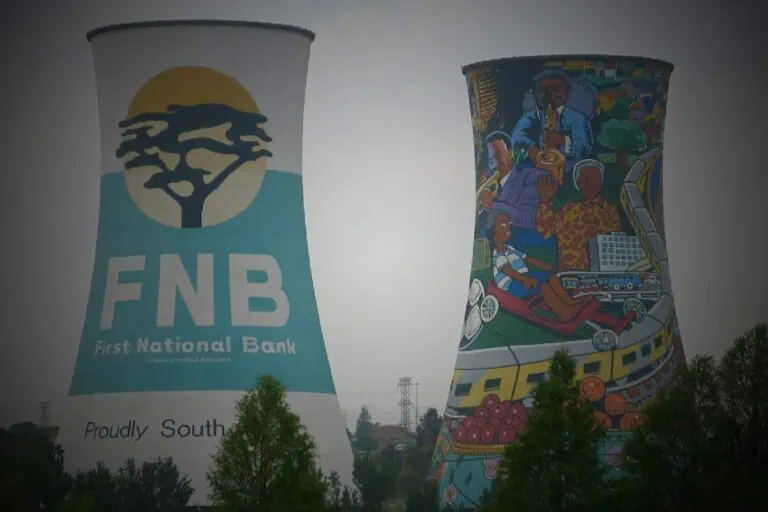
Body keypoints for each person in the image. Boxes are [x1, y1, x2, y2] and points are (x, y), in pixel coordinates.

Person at [490, 210, 593, 322]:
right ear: (493, 228)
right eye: (503, 224)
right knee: (542, 285)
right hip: (512, 285)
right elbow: (509, 271)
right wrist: (526, 279)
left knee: (550, 277)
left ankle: (569, 301)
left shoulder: (510, 249)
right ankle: (564, 312)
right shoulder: (497, 254)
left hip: (524, 276)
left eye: (508, 224)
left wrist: (544, 266)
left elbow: (528, 258)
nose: (508, 228)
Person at [536, 159, 622, 271]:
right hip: (573, 272)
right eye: (585, 178)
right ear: (578, 182)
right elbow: (545, 232)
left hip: (605, 273)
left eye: (594, 177)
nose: (590, 182)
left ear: (601, 181)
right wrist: (545, 202)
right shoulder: (569, 210)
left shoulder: (610, 210)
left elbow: (618, 242)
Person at [478, 131, 553, 249]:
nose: (494, 162)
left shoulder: (529, 176)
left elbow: (529, 219)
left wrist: (493, 204)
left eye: (498, 154)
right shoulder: (489, 184)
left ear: (511, 153)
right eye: (491, 158)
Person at [510, 70, 593, 171]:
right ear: (535, 93)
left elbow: (584, 146)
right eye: (543, 90)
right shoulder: (531, 117)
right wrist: (532, 150)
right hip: (536, 170)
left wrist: (562, 140)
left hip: (569, 170)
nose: (549, 94)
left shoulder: (578, 118)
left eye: (556, 89)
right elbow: (516, 136)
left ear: (567, 92)